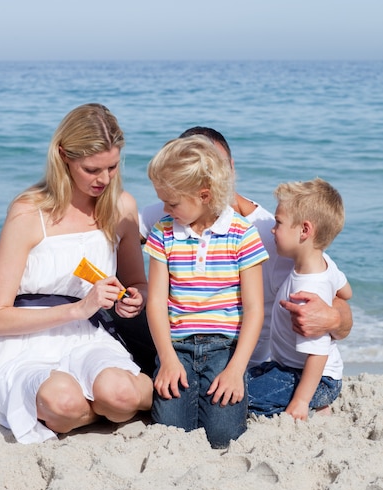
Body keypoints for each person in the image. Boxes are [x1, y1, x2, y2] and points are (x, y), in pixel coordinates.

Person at [0, 103, 153, 444]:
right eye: (92, 169)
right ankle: (94, 409)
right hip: (25, 342)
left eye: (112, 167)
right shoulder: (28, 212)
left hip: (88, 336)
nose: (104, 179)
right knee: (63, 401)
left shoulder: (121, 207)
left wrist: (135, 298)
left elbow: (137, 282)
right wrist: (79, 308)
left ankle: (129, 398)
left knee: (119, 394)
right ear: (63, 156)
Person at [139, 126, 353, 366]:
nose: (213, 178)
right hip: (182, 352)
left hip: (246, 363)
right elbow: (115, 231)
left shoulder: (269, 232)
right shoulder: (173, 212)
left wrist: (334, 319)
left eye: (218, 167)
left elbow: (333, 293)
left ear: (231, 166)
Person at [143, 136, 269, 448]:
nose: (165, 209)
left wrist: (236, 369)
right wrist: (168, 359)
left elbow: (254, 309)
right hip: (177, 348)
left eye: (172, 203)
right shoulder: (164, 232)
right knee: (171, 432)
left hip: (224, 351)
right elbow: (157, 303)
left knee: (224, 435)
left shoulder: (242, 233)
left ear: (204, 195)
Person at [247, 178, 352, 420]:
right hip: (290, 367)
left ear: (304, 230)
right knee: (245, 380)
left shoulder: (306, 290)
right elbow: (346, 292)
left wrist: (301, 401)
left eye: (279, 223)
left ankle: (313, 405)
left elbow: (318, 353)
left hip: (315, 378)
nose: (273, 229)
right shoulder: (325, 263)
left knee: (244, 398)